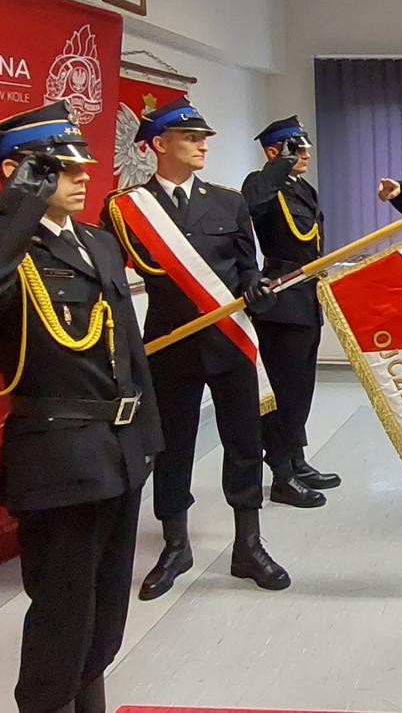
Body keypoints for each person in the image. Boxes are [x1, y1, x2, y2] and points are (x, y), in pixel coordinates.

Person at [0, 102, 160, 713]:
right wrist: (19, 198)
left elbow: (128, 349)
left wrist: (148, 443)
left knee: (107, 610)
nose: (85, 176)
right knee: (62, 612)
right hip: (59, 452)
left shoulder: (98, 244)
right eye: (62, 167)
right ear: (21, 174)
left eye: (83, 164)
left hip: (118, 450)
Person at [102, 97, 292, 600]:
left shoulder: (228, 201)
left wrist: (255, 286)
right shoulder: (127, 208)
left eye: (204, 137)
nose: (202, 144)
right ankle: (175, 544)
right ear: (158, 145)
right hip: (170, 344)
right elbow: (111, 279)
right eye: (190, 138)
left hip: (229, 341)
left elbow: (246, 264)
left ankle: (248, 545)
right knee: (171, 447)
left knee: (243, 441)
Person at [240, 116, 342, 504]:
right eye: (297, 149)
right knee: (283, 389)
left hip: (306, 298)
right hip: (280, 303)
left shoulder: (303, 189)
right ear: (274, 151)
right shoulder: (262, 183)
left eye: (304, 148)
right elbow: (251, 204)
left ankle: (296, 459)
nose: (306, 155)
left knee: (301, 389)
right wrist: (278, 164)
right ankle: (281, 473)